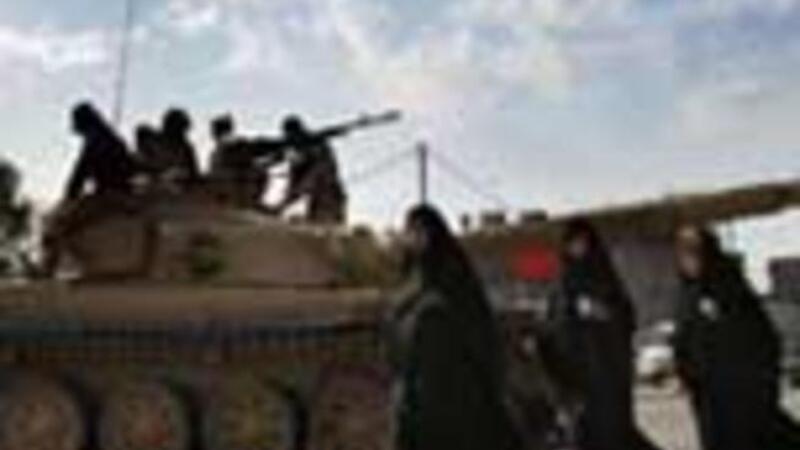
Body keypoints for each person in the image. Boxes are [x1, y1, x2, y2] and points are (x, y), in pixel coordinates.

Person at [388, 204, 521, 450]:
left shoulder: (451, 266)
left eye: (420, 230)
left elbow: (472, 316)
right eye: (410, 230)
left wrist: (434, 304)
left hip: (454, 375)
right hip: (420, 371)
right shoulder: (410, 270)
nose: (414, 236)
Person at [673, 225, 800, 450]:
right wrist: (685, 371)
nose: (687, 261)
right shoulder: (688, 295)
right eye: (683, 253)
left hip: (741, 391)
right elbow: (684, 338)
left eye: (693, 252)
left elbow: (760, 337)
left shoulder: (732, 290)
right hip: (710, 395)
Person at [548, 219, 661, 450]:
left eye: (582, 243)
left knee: (613, 429)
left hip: (609, 373)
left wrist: (603, 312)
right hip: (580, 375)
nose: (577, 248)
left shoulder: (605, 278)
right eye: (572, 243)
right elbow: (556, 326)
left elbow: (626, 316)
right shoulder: (563, 285)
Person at [276, 115, 348, 224]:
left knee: (327, 226)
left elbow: (311, 178)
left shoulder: (318, 152)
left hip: (330, 197)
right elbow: (294, 180)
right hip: (317, 199)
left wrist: (283, 204)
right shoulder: (300, 155)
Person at [63, 102, 138, 200]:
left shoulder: (93, 142)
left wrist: (70, 195)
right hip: (122, 185)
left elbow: (80, 172)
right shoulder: (113, 138)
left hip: (109, 190)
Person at [208, 114, 285, 208]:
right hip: (237, 194)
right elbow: (253, 152)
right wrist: (276, 156)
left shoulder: (216, 153)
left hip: (228, 194)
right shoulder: (233, 147)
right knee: (259, 170)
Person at [157, 108, 200, 188]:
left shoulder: (187, 148)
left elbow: (194, 174)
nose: (183, 134)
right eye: (180, 130)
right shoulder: (156, 146)